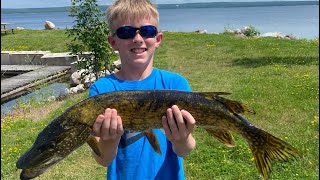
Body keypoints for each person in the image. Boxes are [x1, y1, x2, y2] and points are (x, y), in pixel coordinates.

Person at [89, 0, 196, 179]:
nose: (137, 39)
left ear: (158, 39)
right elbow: (103, 160)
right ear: (113, 42)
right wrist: (109, 140)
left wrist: (181, 139)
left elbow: (185, 150)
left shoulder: (176, 85)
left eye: (147, 31)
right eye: (126, 32)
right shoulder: (102, 90)